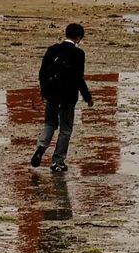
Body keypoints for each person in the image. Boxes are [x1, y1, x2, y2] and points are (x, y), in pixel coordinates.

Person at [32, 22, 94, 173]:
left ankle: (41, 148)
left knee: (49, 124)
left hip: (52, 94)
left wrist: (44, 92)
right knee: (65, 129)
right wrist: (87, 97)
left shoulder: (53, 49)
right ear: (78, 37)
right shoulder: (79, 54)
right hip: (68, 96)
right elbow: (79, 78)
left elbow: (42, 73)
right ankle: (58, 162)